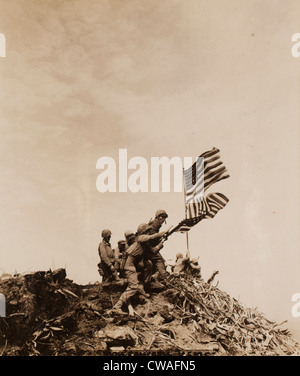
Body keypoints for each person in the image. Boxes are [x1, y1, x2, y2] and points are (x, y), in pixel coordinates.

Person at [108, 223, 166, 314]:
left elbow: (153, 252)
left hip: (132, 264)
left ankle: (144, 285)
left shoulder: (144, 243)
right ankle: (117, 307)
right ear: (143, 232)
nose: (149, 233)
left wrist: (161, 243)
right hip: (129, 264)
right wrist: (162, 233)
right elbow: (151, 237)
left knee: (148, 264)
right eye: (147, 231)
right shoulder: (140, 238)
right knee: (133, 287)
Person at [147, 209, 169, 280]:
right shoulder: (154, 224)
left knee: (161, 261)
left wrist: (162, 238)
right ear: (158, 217)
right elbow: (152, 237)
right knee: (159, 260)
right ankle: (164, 276)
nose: (163, 219)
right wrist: (161, 238)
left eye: (164, 217)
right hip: (147, 247)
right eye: (162, 217)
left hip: (149, 246)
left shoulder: (156, 224)